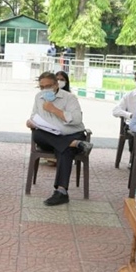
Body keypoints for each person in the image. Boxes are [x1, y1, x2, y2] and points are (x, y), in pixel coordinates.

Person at [26, 72, 93, 206]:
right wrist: (31, 122)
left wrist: (54, 110)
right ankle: (76, 144)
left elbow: (77, 120)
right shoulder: (38, 97)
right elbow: (34, 116)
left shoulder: (69, 98)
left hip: (71, 133)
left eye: (48, 86)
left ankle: (61, 192)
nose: (45, 90)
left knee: (64, 149)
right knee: (38, 134)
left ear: (56, 85)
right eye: (42, 87)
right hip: (49, 136)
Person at [112, 70, 136, 168]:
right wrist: (130, 115)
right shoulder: (129, 95)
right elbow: (115, 111)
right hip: (133, 125)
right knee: (135, 132)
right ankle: (134, 158)